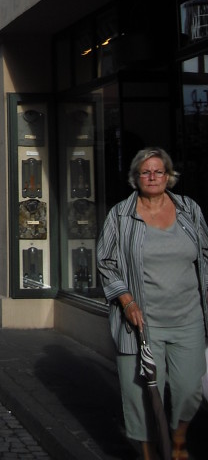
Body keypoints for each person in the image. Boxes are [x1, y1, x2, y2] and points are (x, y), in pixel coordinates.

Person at [97, 147, 208, 460]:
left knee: (188, 389)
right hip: (142, 323)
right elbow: (105, 261)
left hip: (188, 318)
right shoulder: (120, 214)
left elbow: (206, 254)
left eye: (158, 171)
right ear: (136, 177)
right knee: (142, 394)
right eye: (146, 172)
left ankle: (178, 440)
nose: (152, 177)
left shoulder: (189, 210)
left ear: (168, 176)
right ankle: (148, 455)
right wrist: (127, 301)